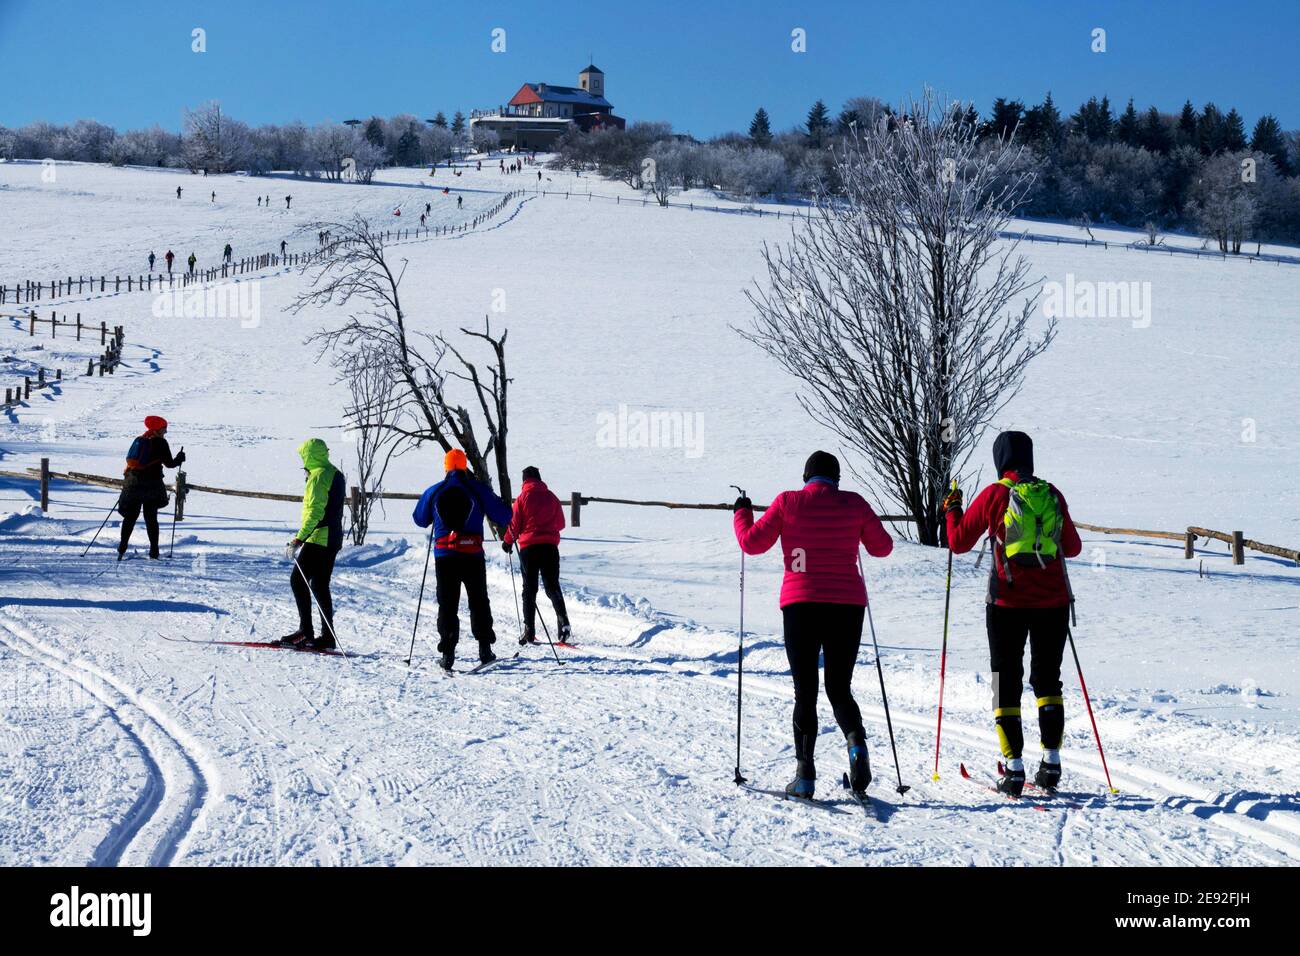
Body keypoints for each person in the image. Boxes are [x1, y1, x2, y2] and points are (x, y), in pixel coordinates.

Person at [733, 451, 893, 799]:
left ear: (806, 477)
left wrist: (742, 513)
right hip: (847, 607)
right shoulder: (854, 504)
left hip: (801, 604)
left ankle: (805, 775)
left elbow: (751, 543)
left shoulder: (788, 502)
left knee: (805, 690)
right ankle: (856, 747)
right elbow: (883, 548)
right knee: (839, 687)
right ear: (837, 478)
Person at [944, 430, 1082, 796]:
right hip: (1053, 603)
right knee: (1048, 681)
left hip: (1006, 603)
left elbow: (958, 543)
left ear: (999, 460)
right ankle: (1051, 764)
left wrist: (952, 509)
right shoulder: (1051, 493)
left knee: (1005, 680)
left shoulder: (995, 495)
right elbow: (1074, 546)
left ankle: (1015, 768)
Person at [412, 449, 512, 670]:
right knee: (478, 601)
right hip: (472, 556)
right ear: (465, 466)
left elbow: (419, 519)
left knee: (447, 604)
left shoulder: (435, 490)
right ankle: (485, 649)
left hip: (445, 556)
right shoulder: (477, 489)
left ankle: (448, 653)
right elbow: (505, 516)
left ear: (446, 467)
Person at [279, 439, 346, 651]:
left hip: (319, 537)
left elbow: (316, 512)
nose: (302, 461)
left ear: (310, 455)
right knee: (319, 585)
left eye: (304, 457)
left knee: (297, 580)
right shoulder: (333, 472)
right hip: (333, 538)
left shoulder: (318, 476)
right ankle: (327, 636)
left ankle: (305, 632)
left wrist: (299, 538)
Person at [502, 466, 570, 645]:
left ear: (524, 481)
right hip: (550, 547)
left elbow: (514, 524)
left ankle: (529, 631)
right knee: (552, 586)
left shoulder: (522, 498)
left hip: (529, 549)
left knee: (530, 589)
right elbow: (561, 523)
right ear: (539, 479)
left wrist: (508, 541)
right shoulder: (551, 497)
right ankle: (564, 624)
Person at [118, 416, 185, 560]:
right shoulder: (160, 442)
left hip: (133, 483)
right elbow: (170, 464)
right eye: (164, 428)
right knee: (151, 518)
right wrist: (180, 457)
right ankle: (154, 551)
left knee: (130, 517)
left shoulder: (141, 439)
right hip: (152, 485)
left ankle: (122, 548)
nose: (165, 431)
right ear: (157, 428)